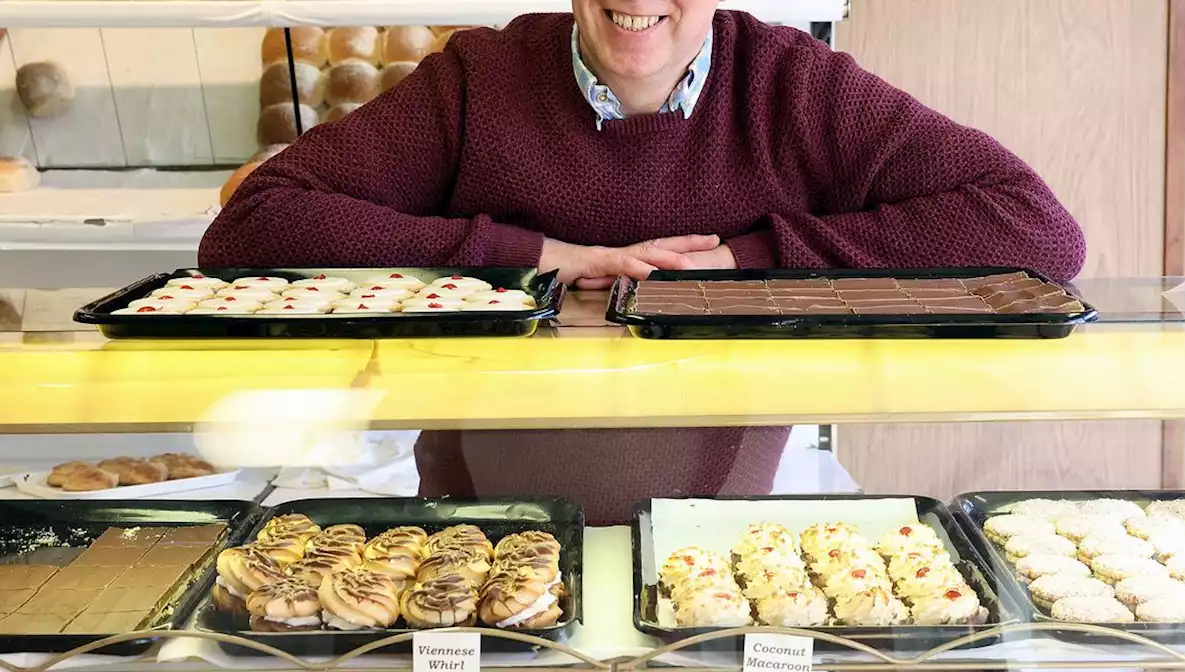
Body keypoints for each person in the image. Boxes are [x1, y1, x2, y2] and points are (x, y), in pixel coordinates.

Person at [200, 0, 1087, 523]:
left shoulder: (792, 81)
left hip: (721, 532)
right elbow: (254, 225)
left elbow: (1036, 231)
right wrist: (536, 256)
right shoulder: (482, 76)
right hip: (479, 526)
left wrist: (751, 260)